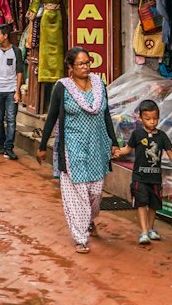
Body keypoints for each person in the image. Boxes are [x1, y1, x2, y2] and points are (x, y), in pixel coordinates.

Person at [38, 47, 117, 253]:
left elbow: (106, 115)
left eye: (87, 62)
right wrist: (42, 145)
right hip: (73, 148)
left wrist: (114, 141)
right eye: (80, 64)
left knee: (95, 192)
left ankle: (89, 219)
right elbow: (52, 116)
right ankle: (80, 237)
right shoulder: (62, 88)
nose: (85, 67)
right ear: (70, 67)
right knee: (78, 192)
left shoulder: (100, 85)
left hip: (97, 147)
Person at [112, 99, 172, 245]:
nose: (152, 122)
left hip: (155, 178)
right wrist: (118, 153)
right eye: (148, 119)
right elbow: (128, 148)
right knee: (141, 203)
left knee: (153, 204)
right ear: (140, 118)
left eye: (155, 118)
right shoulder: (137, 134)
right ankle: (144, 232)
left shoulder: (162, 136)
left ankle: (151, 229)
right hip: (140, 177)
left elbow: (169, 151)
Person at [0, 23, 24, 159]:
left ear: (5, 36)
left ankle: (9, 147)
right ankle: (1, 143)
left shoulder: (16, 51)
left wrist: (17, 91)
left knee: (11, 119)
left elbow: (19, 72)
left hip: (11, 90)